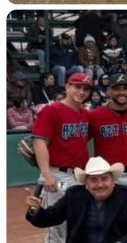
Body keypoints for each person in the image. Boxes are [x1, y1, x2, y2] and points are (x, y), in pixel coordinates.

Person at [25, 156, 127, 243]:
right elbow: (50, 217)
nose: (100, 185)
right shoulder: (73, 195)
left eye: (104, 179)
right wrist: (35, 210)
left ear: (113, 181)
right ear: (86, 184)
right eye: (93, 180)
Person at [33, 71, 94, 243]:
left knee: (77, 222)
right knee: (56, 226)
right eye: (77, 87)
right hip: (57, 174)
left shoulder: (85, 114)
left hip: (79, 175)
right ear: (67, 87)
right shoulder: (51, 111)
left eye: (86, 89)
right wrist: (47, 174)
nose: (81, 92)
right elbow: (39, 142)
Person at [89, 73, 127, 197]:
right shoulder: (95, 116)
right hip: (107, 174)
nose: (121, 93)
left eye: (125, 89)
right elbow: (77, 141)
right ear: (108, 92)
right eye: (116, 89)